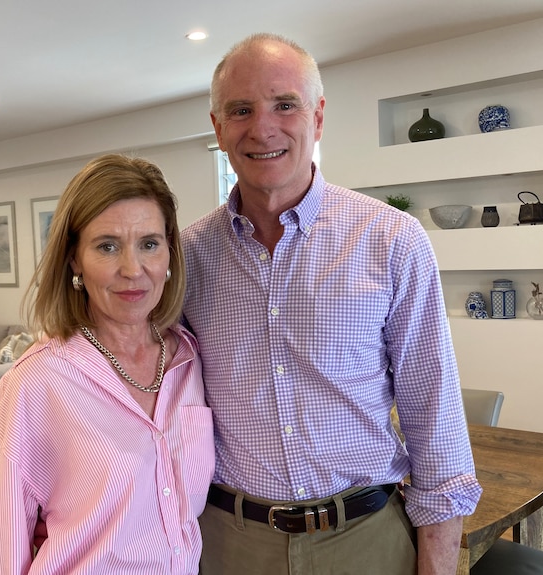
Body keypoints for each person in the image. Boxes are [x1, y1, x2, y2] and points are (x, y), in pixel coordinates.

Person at [180, 33, 482, 575]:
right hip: (228, 543)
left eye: (284, 104)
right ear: (218, 127)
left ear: (317, 118)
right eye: (241, 110)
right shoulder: (185, 257)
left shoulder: (392, 240)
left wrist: (436, 563)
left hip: (367, 540)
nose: (263, 127)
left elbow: (433, 414)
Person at [0, 154, 214, 574]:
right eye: (107, 246)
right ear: (74, 260)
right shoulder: (36, 383)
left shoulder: (189, 360)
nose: (132, 269)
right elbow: (2, 552)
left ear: (170, 254)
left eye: (149, 244)